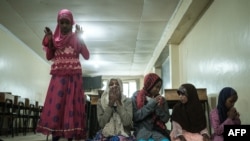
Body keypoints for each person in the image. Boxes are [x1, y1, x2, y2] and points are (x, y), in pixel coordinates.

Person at [36, 9, 90, 141]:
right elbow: (49, 56)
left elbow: (87, 56)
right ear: (58, 23)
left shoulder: (75, 38)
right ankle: (56, 136)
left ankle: (70, 136)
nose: (64, 25)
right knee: (57, 107)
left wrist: (80, 39)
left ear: (71, 23)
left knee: (71, 106)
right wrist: (49, 42)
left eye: (67, 22)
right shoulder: (55, 40)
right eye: (62, 22)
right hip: (59, 79)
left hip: (73, 79)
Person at [132, 73, 170, 141]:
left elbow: (166, 119)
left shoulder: (161, 100)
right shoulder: (136, 96)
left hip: (158, 130)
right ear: (149, 84)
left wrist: (157, 107)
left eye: (159, 87)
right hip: (141, 130)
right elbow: (135, 117)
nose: (158, 90)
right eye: (156, 86)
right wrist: (151, 104)